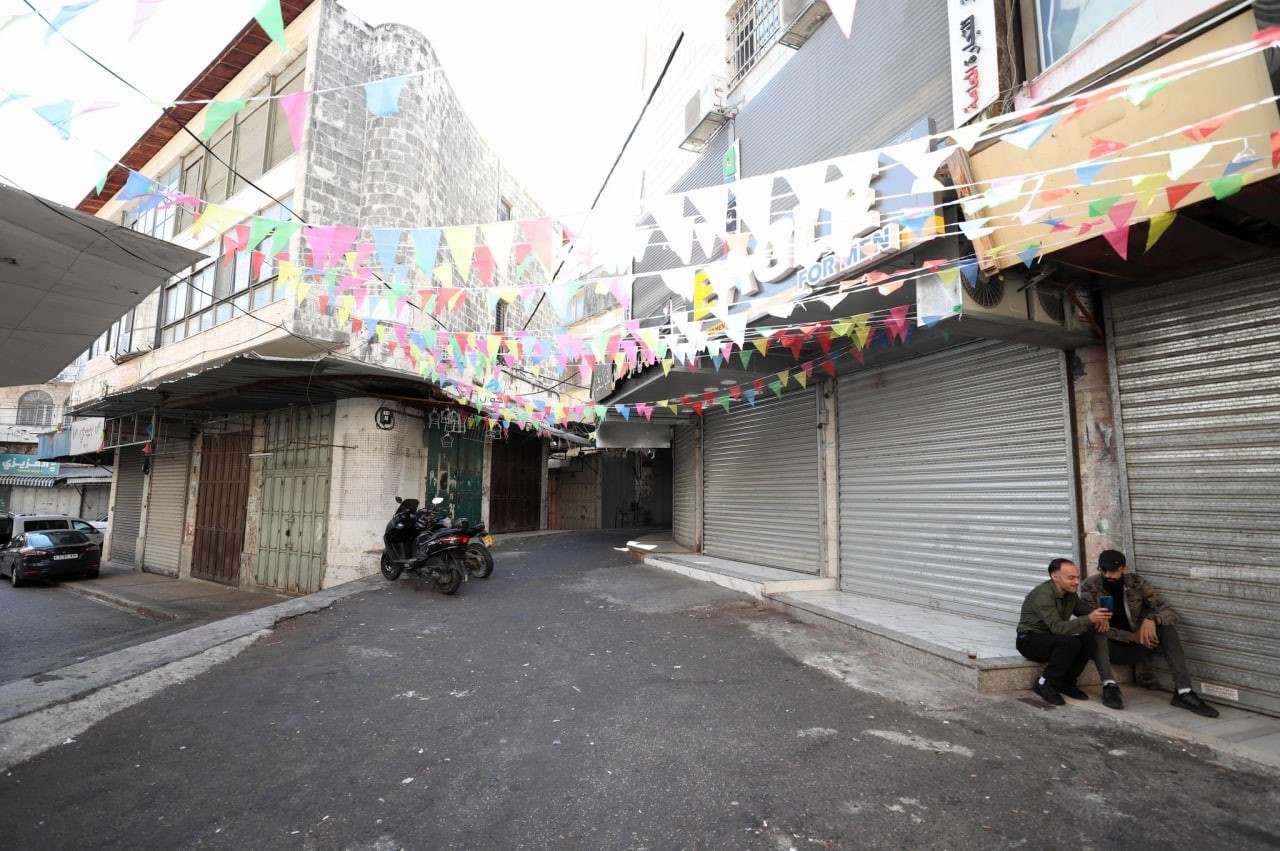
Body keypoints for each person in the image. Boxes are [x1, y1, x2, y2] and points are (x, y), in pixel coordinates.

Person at [1078, 549, 1219, 718]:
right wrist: (1131, 637)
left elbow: (1169, 612)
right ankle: (1110, 686)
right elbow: (1088, 622)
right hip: (1108, 648)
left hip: (1139, 645)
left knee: (1166, 628)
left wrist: (1152, 619)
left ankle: (1184, 691)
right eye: (1104, 570)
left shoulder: (1137, 584)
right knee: (1094, 627)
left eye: (1113, 571)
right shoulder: (1090, 586)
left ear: (1124, 569)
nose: (1108, 575)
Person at [1015, 558, 1110, 705]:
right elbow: (1058, 628)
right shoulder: (1043, 595)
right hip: (1029, 640)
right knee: (1069, 643)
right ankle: (1044, 682)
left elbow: (1085, 612)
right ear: (1055, 577)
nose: (1077, 582)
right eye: (1071, 578)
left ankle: (1066, 682)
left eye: (1078, 577)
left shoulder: (1070, 594)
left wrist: (1100, 617)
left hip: (1052, 638)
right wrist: (1090, 619)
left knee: (1088, 642)